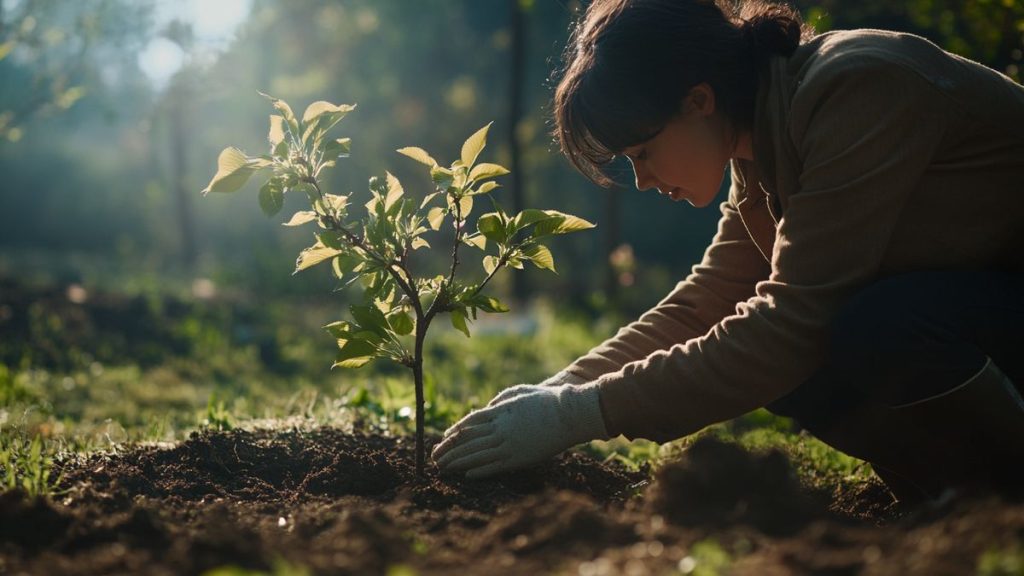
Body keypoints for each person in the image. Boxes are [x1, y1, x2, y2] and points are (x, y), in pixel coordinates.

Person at [430, 0, 1024, 506]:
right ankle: (956, 496)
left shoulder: (855, 88)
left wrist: (579, 414)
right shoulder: (761, 139)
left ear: (698, 100)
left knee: (871, 328)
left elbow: (791, 322)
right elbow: (711, 298)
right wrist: (561, 390)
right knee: (791, 364)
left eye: (641, 151)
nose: (642, 180)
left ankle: (999, 492)